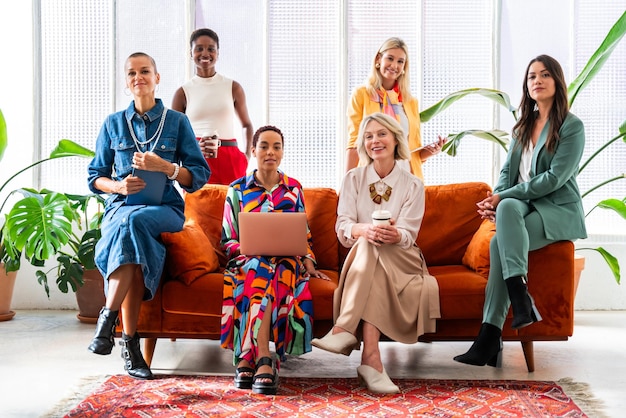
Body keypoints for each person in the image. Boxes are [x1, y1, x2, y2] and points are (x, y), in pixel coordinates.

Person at [453, 55, 587, 368]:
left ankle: (489, 334)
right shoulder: (522, 126)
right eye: (531, 77)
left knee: (500, 243)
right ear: (526, 87)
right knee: (509, 205)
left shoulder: (571, 126)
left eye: (544, 75)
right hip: (522, 207)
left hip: (556, 208)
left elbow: (554, 179)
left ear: (556, 81)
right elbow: (505, 173)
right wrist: (496, 198)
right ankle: (518, 299)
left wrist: (504, 197)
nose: (537, 80)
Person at [87, 52, 211, 379]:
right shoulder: (113, 123)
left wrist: (167, 167)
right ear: (126, 82)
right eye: (132, 73)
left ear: (157, 78)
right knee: (133, 236)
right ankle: (131, 348)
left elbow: (198, 176)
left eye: (145, 71)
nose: (138, 77)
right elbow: (94, 177)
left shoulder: (177, 122)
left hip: (165, 209)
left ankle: (107, 318)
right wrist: (117, 186)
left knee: (134, 224)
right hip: (122, 208)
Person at [312, 112, 440, 394]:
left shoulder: (413, 184)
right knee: (370, 243)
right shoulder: (353, 179)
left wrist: (396, 233)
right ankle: (371, 360)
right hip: (363, 255)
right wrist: (364, 230)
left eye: (381, 134)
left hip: (403, 258)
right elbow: (343, 227)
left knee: (377, 245)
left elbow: (409, 236)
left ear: (396, 139)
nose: (375, 141)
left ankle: (343, 330)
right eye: (368, 136)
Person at [220, 125, 329, 395]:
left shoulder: (294, 189)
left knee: (275, 270)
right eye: (264, 146)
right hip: (248, 261)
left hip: (287, 262)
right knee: (259, 268)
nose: (270, 152)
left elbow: (303, 236)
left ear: (282, 151)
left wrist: (310, 264)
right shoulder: (237, 190)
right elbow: (227, 239)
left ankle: (248, 357)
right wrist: (248, 250)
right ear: (253, 151)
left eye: (276, 146)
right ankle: (264, 358)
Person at [345, 37, 446, 178]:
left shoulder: (410, 102)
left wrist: (431, 151)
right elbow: (354, 143)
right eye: (390, 58)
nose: (394, 65)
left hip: (405, 178)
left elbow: (412, 153)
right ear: (378, 59)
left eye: (400, 61)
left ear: (404, 67)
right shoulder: (361, 94)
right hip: (371, 176)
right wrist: (346, 185)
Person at [172, 28, 253, 185]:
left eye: (211, 49)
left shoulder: (233, 87)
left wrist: (246, 156)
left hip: (230, 159)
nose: (205, 53)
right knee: (198, 208)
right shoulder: (183, 92)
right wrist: (189, 154)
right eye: (199, 48)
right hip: (197, 160)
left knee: (233, 207)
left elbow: (247, 125)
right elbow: (174, 136)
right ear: (191, 53)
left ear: (218, 53)